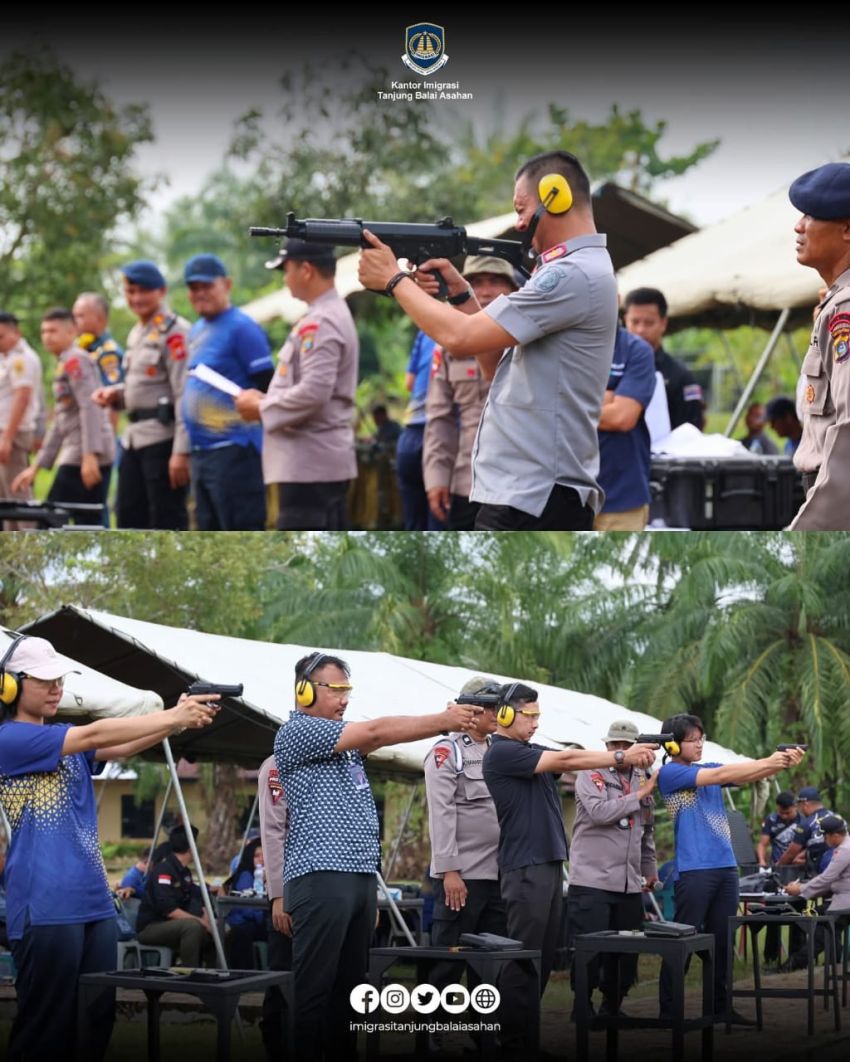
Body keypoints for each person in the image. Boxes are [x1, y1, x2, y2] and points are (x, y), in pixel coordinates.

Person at [358, 149, 618, 530]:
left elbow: (458, 338)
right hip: (528, 494)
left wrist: (393, 280)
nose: (518, 223)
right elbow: (495, 367)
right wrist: (463, 296)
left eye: (521, 208)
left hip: (534, 497)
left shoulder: (570, 275)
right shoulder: (575, 271)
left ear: (555, 195)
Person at [0, 634, 217, 1062]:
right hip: (45, 904)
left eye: (59, 678)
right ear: (9, 685)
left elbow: (118, 744)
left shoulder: (65, 737)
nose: (56, 687)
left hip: (95, 903)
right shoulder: (9, 740)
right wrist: (173, 714)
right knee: (46, 1029)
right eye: (44, 680)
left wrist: (176, 722)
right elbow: (96, 732)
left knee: (97, 1020)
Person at [274, 651, 477, 1060]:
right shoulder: (296, 732)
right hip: (321, 873)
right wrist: (443, 720)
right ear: (303, 690)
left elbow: (380, 734)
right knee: (314, 990)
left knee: (351, 990)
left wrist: (371, 885)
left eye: (348, 690)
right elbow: (379, 731)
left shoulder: (343, 743)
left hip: (357, 877)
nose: (345, 699)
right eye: (337, 690)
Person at [481, 683, 655, 1050]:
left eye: (537, 715)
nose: (535, 722)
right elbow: (567, 762)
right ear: (506, 715)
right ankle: (508, 1041)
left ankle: (523, 1039)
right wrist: (622, 758)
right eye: (529, 715)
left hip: (545, 863)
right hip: (525, 865)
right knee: (522, 957)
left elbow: (568, 755)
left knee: (541, 960)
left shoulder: (528, 750)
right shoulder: (502, 753)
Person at [656, 713, 805, 1022]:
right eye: (692, 739)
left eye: (702, 738)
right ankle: (669, 1009)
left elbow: (746, 774)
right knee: (682, 942)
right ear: (671, 744)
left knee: (722, 943)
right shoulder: (669, 774)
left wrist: (777, 763)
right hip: (695, 870)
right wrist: (775, 760)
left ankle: (720, 1008)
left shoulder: (708, 769)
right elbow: (721, 775)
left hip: (725, 868)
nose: (699, 744)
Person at [235, 239, 359, 531]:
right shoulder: (321, 315)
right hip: (310, 463)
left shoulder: (323, 321)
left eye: (286, 269)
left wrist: (262, 408)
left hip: (311, 465)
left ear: (306, 270)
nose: (284, 277)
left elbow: (315, 392)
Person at [423, 676, 506, 1016]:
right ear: (473, 709)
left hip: (498, 875)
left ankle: (482, 1033)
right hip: (463, 877)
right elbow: (441, 814)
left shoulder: (500, 750)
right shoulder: (448, 752)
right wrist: (450, 871)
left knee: (489, 965)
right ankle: (431, 1031)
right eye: (493, 707)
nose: (499, 714)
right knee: (447, 960)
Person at [566, 720, 658, 1018]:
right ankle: (583, 1006)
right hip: (592, 881)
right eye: (613, 745)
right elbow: (600, 812)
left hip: (629, 884)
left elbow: (647, 829)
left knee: (626, 952)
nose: (618, 750)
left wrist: (650, 868)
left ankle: (613, 1005)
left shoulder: (643, 778)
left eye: (624, 745)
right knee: (590, 950)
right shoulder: (590, 773)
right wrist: (640, 794)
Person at [92, 259, 191, 529]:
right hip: (133, 440)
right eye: (130, 291)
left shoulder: (175, 332)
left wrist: (182, 452)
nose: (136, 298)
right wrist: (116, 395)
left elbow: (184, 392)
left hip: (163, 440)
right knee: (127, 516)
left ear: (161, 291)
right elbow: (142, 387)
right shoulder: (137, 332)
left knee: (165, 519)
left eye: (143, 291)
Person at [422, 256, 517, 530]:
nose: (485, 291)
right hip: (467, 483)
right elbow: (440, 417)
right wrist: (437, 477)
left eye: (496, 281)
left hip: (519, 485)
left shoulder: (530, 340)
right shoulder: (448, 348)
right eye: (475, 282)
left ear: (514, 290)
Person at [181, 253, 274, 530]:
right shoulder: (196, 330)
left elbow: (268, 387)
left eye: (207, 286)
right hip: (201, 454)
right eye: (194, 288)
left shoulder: (242, 328)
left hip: (235, 451)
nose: (200, 294)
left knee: (239, 530)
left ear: (227, 285)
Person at [785, 162, 850, 529]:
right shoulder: (835, 304)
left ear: (847, 229)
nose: (799, 226)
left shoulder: (845, 308)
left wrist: (806, 530)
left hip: (836, 500)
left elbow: (847, 431)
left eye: (812, 215)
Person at [12, 308, 115, 512]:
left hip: (85, 453)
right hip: (76, 450)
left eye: (53, 331)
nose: (47, 337)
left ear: (71, 332)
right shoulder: (65, 362)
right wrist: (36, 466)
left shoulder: (76, 360)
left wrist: (89, 456)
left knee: (54, 517)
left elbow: (90, 406)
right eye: (44, 331)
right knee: (82, 520)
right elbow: (60, 421)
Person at [595, 327, 657, 531]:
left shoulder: (635, 349)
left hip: (620, 496)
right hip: (561, 496)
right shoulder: (560, 344)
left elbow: (622, 417)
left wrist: (569, 405)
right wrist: (607, 397)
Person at [623, 288, 704, 431]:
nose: (640, 330)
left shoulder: (680, 377)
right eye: (634, 322)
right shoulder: (611, 367)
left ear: (663, 324)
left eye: (648, 323)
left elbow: (691, 431)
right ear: (625, 321)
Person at [136, 824, 217, 967]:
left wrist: (205, 915)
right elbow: (169, 910)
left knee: (215, 931)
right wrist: (201, 922)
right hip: (152, 926)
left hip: (173, 924)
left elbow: (195, 894)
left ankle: (213, 976)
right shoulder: (164, 871)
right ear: (190, 847)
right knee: (192, 926)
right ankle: (189, 974)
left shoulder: (184, 872)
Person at [257, 753, 292, 1062]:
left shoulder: (342, 759)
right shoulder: (279, 764)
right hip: (291, 894)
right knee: (282, 976)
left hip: (326, 895)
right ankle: (276, 1045)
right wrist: (278, 895)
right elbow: (273, 832)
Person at [783, 815, 850, 969]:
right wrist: (805, 886)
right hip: (843, 899)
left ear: (835, 835)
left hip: (845, 903)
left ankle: (794, 965)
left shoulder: (844, 850)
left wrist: (799, 889)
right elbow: (832, 879)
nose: (824, 840)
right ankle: (834, 965)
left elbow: (826, 879)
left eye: (825, 836)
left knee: (819, 924)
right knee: (818, 915)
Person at [394, 329, 442, 530]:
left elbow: (409, 382)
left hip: (411, 433)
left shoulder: (426, 330)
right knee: (440, 516)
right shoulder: (480, 324)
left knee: (413, 522)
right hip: (444, 434)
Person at [0, 312, 43, 527]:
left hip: (13, 434)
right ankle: (10, 551)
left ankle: (28, 550)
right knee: (6, 503)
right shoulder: (5, 357)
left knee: (18, 498)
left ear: (16, 333)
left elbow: (22, 397)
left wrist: (7, 439)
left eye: (1, 336)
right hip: (5, 432)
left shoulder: (21, 358)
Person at [221, 837, 268, 969]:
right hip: (243, 922)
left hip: (254, 921)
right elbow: (249, 909)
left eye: (264, 855)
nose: (261, 859)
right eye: (256, 856)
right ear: (249, 857)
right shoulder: (246, 875)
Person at [776, 786, 836, 874]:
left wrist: (776, 867)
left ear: (805, 804)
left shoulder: (807, 824)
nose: (799, 809)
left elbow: (790, 854)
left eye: (799, 805)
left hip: (824, 872)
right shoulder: (837, 817)